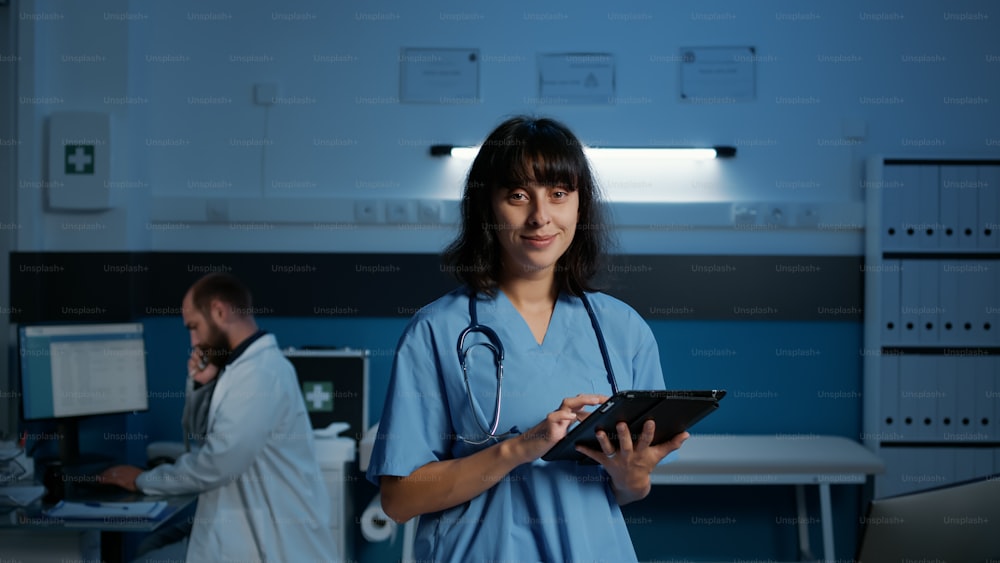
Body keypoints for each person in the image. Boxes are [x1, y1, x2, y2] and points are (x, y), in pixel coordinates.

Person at [366, 115, 689, 562]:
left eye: (558, 194)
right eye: (518, 195)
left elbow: (629, 493)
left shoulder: (623, 329)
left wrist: (631, 475)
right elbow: (399, 500)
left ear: (580, 206)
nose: (540, 216)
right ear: (487, 207)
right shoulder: (436, 331)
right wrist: (522, 447)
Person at [100, 273, 339, 563]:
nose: (193, 340)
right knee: (149, 546)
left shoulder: (260, 375)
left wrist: (143, 480)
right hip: (237, 517)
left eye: (194, 327)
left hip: (269, 540)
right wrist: (203, 384)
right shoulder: (239, 368)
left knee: (146, 559)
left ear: (219, 311)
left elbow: (217, 463)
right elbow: (200, 438)